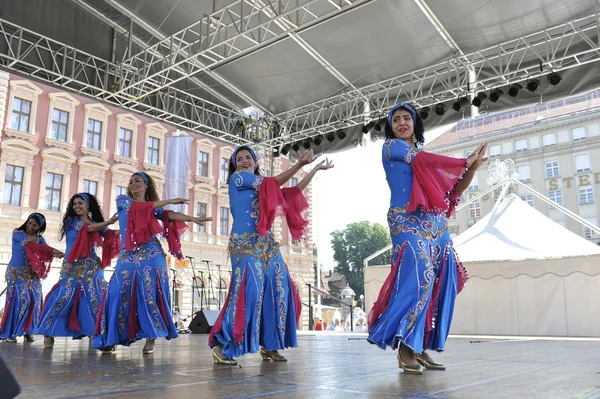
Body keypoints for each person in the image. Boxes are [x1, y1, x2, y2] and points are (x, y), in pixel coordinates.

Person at [367, 103, 487, 375]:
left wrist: (472, 167)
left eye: (406, 118)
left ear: (415, 123)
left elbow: (454, 187)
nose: (401, 123)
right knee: (419, 278)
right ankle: (405, 347)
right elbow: (424, 161)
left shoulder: (423, 156)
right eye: (395, 120)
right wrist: (462, 161)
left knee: (443, 281)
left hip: (435, 224)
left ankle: (419, 344)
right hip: (405, 221)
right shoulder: (392, 148)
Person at [208, 146, 332, 365]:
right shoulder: (238, 179)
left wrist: (313, 170)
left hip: (266, 245)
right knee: (250, 292)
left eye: (248, 158)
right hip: (244, 244)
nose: (244, 161)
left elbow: (292, 194)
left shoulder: (264, 186)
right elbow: (273, 184)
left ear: (256, 162)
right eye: (239, 159)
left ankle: (270, 345)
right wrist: (300, 164)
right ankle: (223, 346)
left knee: (280, 290)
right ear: (235, 165)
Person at [93, 172, 211, 354]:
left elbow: (169, 215)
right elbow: (139, 208)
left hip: (152, 253)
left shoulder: (151, 208)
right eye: (131, 181)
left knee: (150, 293)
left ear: (147, 185)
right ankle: (112, 335)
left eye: (138, 181)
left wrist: (192, 219)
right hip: (128, 255)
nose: (133, 184)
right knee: (117, 292)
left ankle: (151, 335)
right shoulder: (123, 201)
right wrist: (169, 200)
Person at [37, 193, 119, 348]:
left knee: (95, 300)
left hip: (92, 267)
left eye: (80, 203)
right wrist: (108, 221)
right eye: (74, 204)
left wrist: (126, 228)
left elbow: (108, 234)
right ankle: (48, 331)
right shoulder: (71, 221)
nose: (77, 206)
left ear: (88, 206)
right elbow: (87, 229)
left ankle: (96, 335)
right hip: (72, 267)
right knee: (63, 298)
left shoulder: (95, 222)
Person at [0, 213, 64, 342]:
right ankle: (11, 332)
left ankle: (28, 331)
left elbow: (45, 249)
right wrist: (54, 252)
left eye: (34, 225)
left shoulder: (40, 239)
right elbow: (35, 247)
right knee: (23, 299)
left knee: (35, 300)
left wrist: (62, 254)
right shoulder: (18, 233)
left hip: (32, 274)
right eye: (29, 223)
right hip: (16, 273)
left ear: (40, 227)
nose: (30, 226)